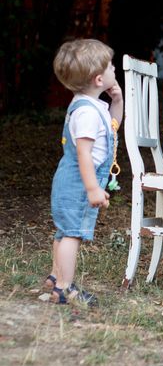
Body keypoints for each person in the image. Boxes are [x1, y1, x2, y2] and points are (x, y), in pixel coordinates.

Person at [47, 39, 123, 306]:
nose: (115, 69)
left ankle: (55, 278)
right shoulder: (87, 114)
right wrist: (92, 188)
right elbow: (84, 153)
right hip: (78, 183)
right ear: (100, 78)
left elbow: (112, 127)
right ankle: (65, 288)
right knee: (72, 234)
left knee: (64, 231)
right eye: (112, 66)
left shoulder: (90, 105)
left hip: (72, 180)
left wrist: (118, 101)